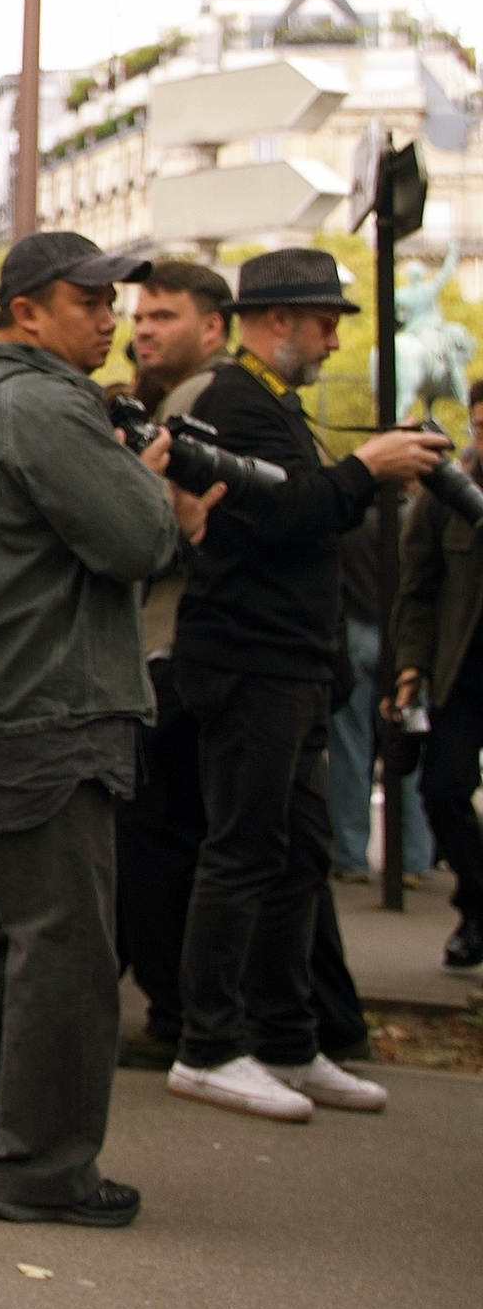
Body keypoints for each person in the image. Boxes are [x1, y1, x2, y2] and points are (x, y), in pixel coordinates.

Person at [0, 232, 196, 1229]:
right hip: (43, 709)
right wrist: (161, 498)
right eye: (89, 301)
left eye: (111, 301)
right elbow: (136, 539)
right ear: (25, 311)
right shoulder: (41, 403)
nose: (109, 318)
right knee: (65, 951)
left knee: (11, 940)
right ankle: (38, 1168)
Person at [167, 244, 440, 1122]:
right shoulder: (234, 400)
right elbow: (283, 513)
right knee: (244, 850)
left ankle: (286, 1037)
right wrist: (369, 470)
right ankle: (208, 1045)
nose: (330, 341)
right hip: (249, 661)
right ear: (277, 321)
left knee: (296, 856)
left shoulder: (267, 400)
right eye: (325, 322)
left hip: (290, 662)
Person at [110, 257, 233, 1064]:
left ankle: (184, 1009)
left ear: (213, 326)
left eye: (165, 317)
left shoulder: (201, 402)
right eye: (139, 316)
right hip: (166, 651)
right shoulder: (176, 399)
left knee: (163, 842)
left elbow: (158, 534)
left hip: (175, 653)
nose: (142, 330)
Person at [394, 372, 483, 971]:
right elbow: (417, 590)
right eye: (480, 425)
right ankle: (477, 904)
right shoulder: (444, 495)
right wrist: (410, 667)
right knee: (442, 789)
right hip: (463, 670)